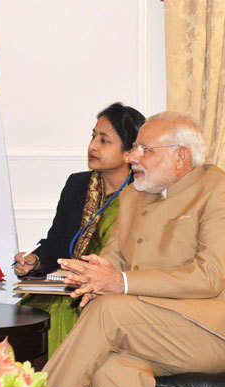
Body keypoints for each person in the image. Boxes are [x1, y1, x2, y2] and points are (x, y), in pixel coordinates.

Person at [45, 112, 225, 387]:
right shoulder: (132, 196)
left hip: (216, 332)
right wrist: (94, 273)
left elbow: (209, 277)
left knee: (110, 310)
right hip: (148, 329)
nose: (133, 158)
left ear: (181, 157)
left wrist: (120, 283)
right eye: (135, 149)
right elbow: (114, 259)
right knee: (112, 372)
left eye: (145, 149)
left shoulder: (223, 192)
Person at [14, 103, 145, 354]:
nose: (93, 146)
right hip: (67, 285)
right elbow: (58, 243)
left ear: (129, 152)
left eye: (104, 140)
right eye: (93, 136)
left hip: (110, 291)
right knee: (29, 315)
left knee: (59, 314)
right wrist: (35, 260)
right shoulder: (78, 184)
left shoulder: (142, 193)